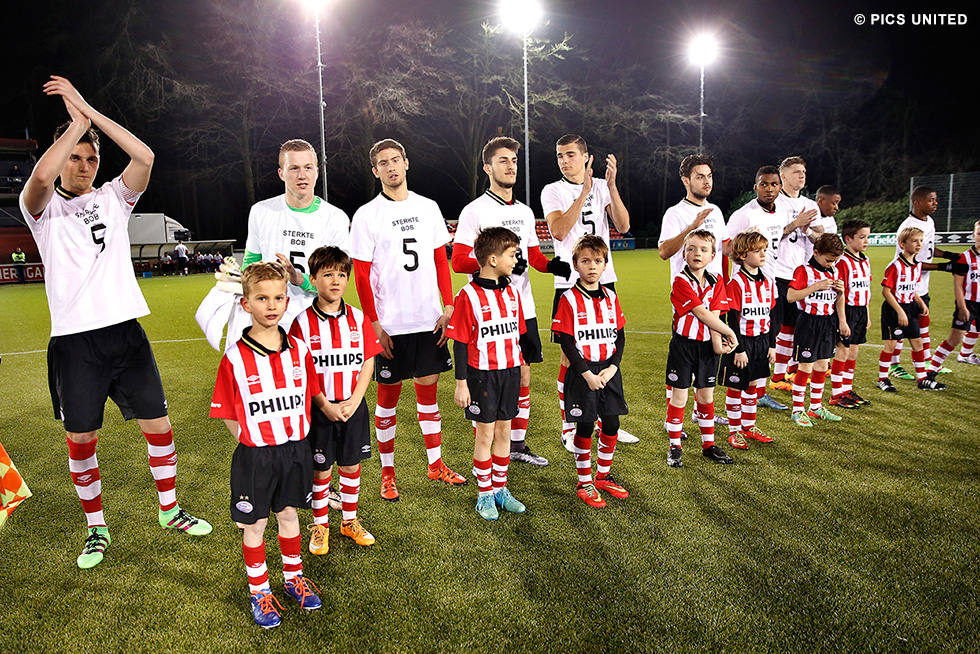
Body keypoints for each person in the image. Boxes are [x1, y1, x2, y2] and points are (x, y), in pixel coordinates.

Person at [18, 76, 211, 569]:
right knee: (82, 438)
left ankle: (169, 509)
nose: (84, 166)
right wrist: (74, 126)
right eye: (75, 157)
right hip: (75, 344)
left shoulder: (113, 198)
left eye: (91, 158)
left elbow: (144, 157)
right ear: (62, 158)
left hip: (126, 334)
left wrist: (88, 112)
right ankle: (96, 528)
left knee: (159, 426)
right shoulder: (43, 210)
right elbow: (40, 179)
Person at [350, 138, 466, 502]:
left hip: (428, 320)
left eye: (395, 160)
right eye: (383, 163)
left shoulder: (428, 207)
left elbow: (440, 259)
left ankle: (435, 464)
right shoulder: (367, 215)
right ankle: (388, 474)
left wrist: (448, 306)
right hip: (391, 325)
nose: (391, 167)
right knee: (387, 401)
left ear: (406, 163)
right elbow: (361, 273)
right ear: (375, 171)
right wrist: (374, 323)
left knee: (429, 395)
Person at [210, 262, 324, 628]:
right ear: (246, 304)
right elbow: (227, 411)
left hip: (295, 451)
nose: (271, 305)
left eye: (278, 297)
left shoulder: (300, 351)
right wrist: (250, 440)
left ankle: (294, 579)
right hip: (256, 455)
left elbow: (309, 396)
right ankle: (259, 590)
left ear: (287, 301)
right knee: (256, 523)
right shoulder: (234, 357)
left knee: (289, 515)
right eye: (261, 298)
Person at [452, 136, 571, 467]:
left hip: (522, 308)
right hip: (487, 312)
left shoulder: (525, 211)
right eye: (503, 160)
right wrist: (493, 263)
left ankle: (516, 445)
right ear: (488, 168)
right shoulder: (475, 211)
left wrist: (551, 266)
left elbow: (533, 257)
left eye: (514, 160)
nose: (510, 166)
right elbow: (458, 260)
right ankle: (487, 444)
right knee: (489, 379)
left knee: (523, 377)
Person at [541, 134, 636, 448]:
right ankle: (570, 426)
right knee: (571, 357)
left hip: (604, 280)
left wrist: (611, 187)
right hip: (569, 283)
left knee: (606, 350)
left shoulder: (601, 186)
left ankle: (607, 418)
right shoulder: (553, 190)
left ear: (585, 157)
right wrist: (583, 193)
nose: (564, 160)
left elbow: (623, 225)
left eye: (570, 154)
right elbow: (558, 231)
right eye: (560, 155)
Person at [289, 247, 381, 552]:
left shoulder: (358, 318)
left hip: (353, 407)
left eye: (341, 274)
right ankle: (320, 526)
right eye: (327, 274)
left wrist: (355, 400)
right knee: (321, 471)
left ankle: (349, 521)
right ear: (313, 279)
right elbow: (300, 370)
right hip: (320, 410)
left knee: (351, 467)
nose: (336, 280)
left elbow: (368, 361)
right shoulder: (302, 323)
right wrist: (324, 405)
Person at [449, 227, 528, 520]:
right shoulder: (468, 295)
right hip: (482, 376)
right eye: (512, 255)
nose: (515, 260)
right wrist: (461, 384)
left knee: (505, 430)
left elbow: (517, 334)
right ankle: (484, 494)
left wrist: (520, 367)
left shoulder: (513, 292)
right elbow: (459, 343)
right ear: (493, 259)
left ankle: (500, 489)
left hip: (509, 372)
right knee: (485, 434)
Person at [241, 139, 351, 334]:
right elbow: (250, 265)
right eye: (294, 168)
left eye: (308, 167)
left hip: (316, 323)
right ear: (281, 174)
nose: (302, 175)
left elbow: (337, 282)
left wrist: (297, 278)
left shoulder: (335, 218)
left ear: (317, 171)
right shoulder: (261, 211)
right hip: (270, 323)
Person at [552, 235, 630, 505]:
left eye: (597, 261)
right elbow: (565, 340)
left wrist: (613, 367)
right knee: (585, 426)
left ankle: (603, 476)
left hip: (608, 371)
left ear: (606, 265)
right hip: (582, 372)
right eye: (585, 261)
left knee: (612, 423)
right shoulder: (569, 299)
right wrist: (586, 374)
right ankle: (584, 482)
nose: (592, 266)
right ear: (575, 265)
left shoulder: (611, 297)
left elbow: (620, 335)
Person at [658, 154, 734, 427]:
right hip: (687, 296)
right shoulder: (675, 213)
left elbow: (723, 250)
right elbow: (664, 252)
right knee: (683, 355)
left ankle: (700, 411)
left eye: (709, 176)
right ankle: (673, 420)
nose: (706, 181)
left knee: (709, 354)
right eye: (699, 176)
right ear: (686, 180)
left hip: (713, 293)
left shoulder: (716, 211)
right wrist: (691, 227)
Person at [664, 230, 738, 468]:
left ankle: (709, 445)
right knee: (680, 396)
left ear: (712, 256)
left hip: (706, 348)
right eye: (691, 249)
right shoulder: (680, 281)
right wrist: (731, 333)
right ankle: (675, 445)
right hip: (683, 347)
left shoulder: (717, 281)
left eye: (704, 249)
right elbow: (701, 313)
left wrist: (718, 344)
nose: (697, 253)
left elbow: (714, 316)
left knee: (706, 396)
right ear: (684, 254)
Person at [724, 165, 790, 412]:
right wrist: (746, 244)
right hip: (745, 286)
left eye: (774, 184)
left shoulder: (780, 212)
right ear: (755, 187)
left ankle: (759, 395)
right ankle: (738, 419)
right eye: (764, 184)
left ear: (780, 187)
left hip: (769, 282)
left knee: (769, 330)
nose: (769, 189)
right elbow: (726, 247)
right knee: (742, 364)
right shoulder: (744, 215)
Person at [888, 186, 971, 380]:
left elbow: (929, 250)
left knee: (923, 323)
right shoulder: (908, 226)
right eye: (931, 200)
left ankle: (926, 361)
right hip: (906, 286)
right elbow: (912, 261)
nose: (936, 203)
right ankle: (894, 366)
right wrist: (944, 267)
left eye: (935, 199)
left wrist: (949, 255)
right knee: (902, 327)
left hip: (922, 285)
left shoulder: (929, 222)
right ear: (917, 203)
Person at [719, 231, 777, 449]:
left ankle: (749, 426)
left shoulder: (768, 281)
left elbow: (771, 315)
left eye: (764, 250)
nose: (763, 254)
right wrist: (738, 349)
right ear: (743, 255)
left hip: (761, 341)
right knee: (736, 386)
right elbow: (732, 319)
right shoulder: (736, 283)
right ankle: (734, 431)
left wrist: (772, 345)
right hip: (742, 342)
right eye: (757, 251)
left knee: (754, 384)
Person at [769, 156, 820, 392]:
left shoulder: (810, 204)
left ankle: (786, 372)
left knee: (794, 326)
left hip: (801, 274)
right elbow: (768, 234)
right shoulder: (774, 202)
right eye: (797, 171)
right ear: (783, 176)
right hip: (778, 272)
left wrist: (807, 230)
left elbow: (821, 238)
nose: (802, 175)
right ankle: (775, 376)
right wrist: (795, 224)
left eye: (804, 172)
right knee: (779, 327)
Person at [786, 233, 848, 427]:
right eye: (828, 260)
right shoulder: (803, 271)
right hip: (809, 323)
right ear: (816, 252)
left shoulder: (834, 271)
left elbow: (838, 300)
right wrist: (816, 287)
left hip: (828, 323)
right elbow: (790, 296)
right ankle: (798, 410)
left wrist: (842, 317)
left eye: (834, 261)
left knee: (822, 366)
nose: (831, 264)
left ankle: (815, 407)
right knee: (806, 366)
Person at [877, 226, 946, 392]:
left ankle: (922, 379)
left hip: (910, 307)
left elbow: (911, 287)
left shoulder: (917, 265)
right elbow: (886, 291)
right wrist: (899, 311)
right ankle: (883, 379)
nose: (919, 244)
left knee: (917, 342)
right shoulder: (895, 266)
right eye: (914, 241)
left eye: (921, 240)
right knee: (891, 344)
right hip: (894, 309)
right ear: (902, 244)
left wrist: (920, 302)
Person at [927, 220, 980, 380]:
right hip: (968, 304)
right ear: (973, 235)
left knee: (976, 330)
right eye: (979, 234)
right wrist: (962, 308)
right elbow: (958, 285)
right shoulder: (965, 258)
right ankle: (931, 371)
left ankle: (965, 355)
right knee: (955, 338)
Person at [830, 219, 873, 408]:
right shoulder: (843, 262)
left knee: (853, 352)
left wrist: (867, 315)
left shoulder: (865, 260)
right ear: (848, 239)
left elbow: (866, 289)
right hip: (847, 310)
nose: (866, 241)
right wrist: (842, 320)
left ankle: (847, 389)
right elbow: (840, 293)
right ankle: (836, 394)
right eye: (862, 237)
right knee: (843, 351)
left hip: (861, 310)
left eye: (867, 237)